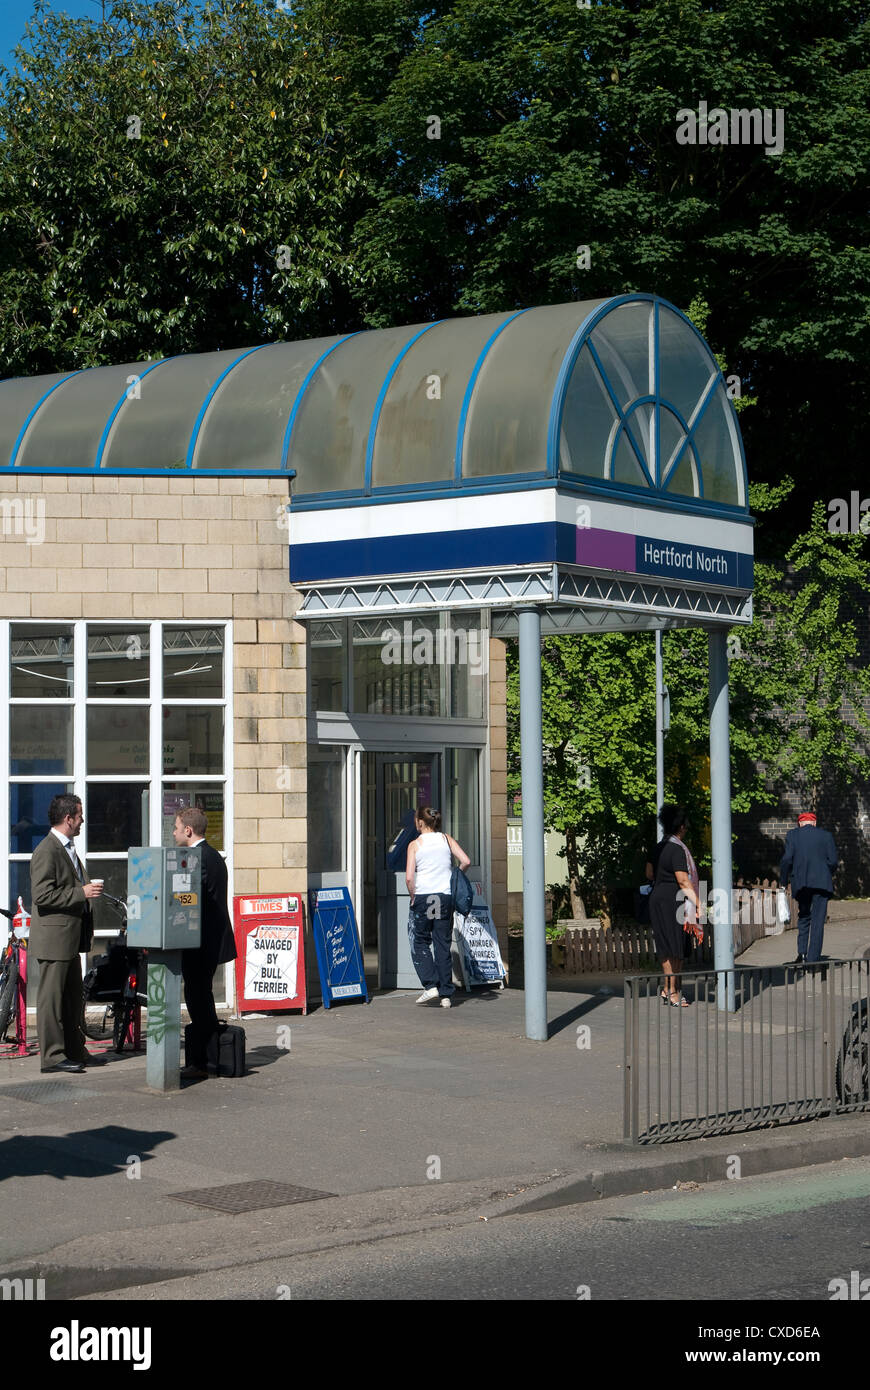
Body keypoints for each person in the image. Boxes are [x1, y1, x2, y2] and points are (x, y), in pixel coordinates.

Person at [30, 794, 104, 1073]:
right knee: (51, 1001)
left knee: (73, 998)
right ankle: (52, 1057)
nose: (83, 820)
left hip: (69, 938)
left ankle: (75, 1050)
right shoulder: (47, 850)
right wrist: (81, 893)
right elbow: (42, 895)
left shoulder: (68, 848)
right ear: (68, 818)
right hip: (53, 939)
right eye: (79, 815)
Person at [173, 808, 237, 1078]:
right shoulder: (212, 855)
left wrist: (171, 901)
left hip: (201, 943)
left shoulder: (198, 857)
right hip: (207, 942)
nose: (174, 832)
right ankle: (204, 1060)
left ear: (188, 830)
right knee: (200, 997)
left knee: (198, 1000)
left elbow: (191, 898)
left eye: (176, 828)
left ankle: (204, 1063)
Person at [405, 806, 470, 1009]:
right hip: (444, 897)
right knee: (442, 944)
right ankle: (446, 995)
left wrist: (413, 896)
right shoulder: (446, 839)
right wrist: (455, 875)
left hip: (424, 897)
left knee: (420, 941)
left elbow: (409, 877)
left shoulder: (415, 845)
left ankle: (430, 984)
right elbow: (466, 861)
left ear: (420, 822)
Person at [648, 804, 702, 1008]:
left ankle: (668, 988)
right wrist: (699, 903)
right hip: (675, 900)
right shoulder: (678, 850)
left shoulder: (658, 847)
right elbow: (683, 880)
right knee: (676, 947)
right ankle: (673, 991)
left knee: (665, 946)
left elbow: (649, 874)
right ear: (681, 826)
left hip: (657, 898)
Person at [779, 811, 838, 964]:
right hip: (822, 885)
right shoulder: (826, 836)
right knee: (818, 921)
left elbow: (786, 860)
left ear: (800, 823)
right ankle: (813, 960)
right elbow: (833, 862)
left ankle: (802, 954)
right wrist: (825, 873)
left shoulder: (793, 835)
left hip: (802, 883)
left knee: (804, 916)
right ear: (814, 823)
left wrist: (784, 881)